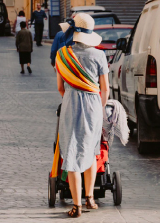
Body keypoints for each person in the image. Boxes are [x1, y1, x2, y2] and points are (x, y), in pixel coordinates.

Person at [55, 13, 109, 218]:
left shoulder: (62, 54)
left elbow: (60, 87)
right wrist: (99, 106)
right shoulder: (99, 55)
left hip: (71, 104)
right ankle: (90, 198)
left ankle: (76, 206)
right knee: (91, 151)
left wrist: (71, 96)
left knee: (71, 153)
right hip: (93, 106)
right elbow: (105, 89)